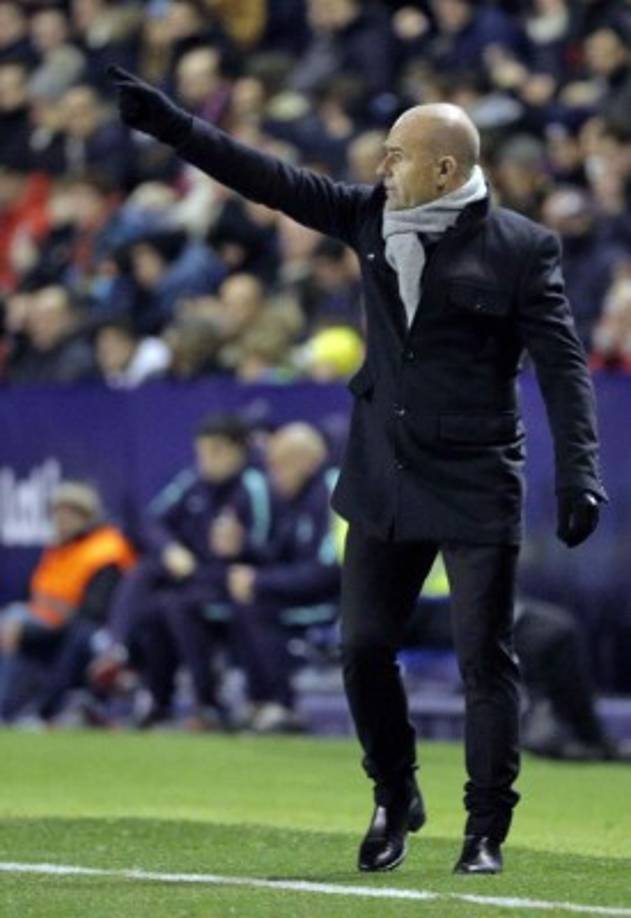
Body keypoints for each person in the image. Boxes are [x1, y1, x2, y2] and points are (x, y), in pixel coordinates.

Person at [108, 66, 606, 875]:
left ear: (445, 168)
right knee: (362, 646)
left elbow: (563, 368)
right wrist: (173, 126)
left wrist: (579, 470)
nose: (381, 167)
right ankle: (392, 791)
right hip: (382, 474)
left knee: (486, 658)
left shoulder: (520, 248)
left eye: (396, 155)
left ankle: (484, 830)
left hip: (477, 476)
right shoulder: (369, 215)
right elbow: (267, 179)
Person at [90, 412, 271, 729]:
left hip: (236, 582)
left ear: (238, 450)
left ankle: (206, 702)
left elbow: (269, 547)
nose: (207, 461)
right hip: (197, 578)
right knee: (151, 588)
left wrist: (240, 547)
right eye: (202, 452)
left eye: (216, 452)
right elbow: (152, 523)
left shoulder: (255, 486)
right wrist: (170, 549)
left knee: (174, 603)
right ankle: (149, 689)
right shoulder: (193, 482)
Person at [223, 422, 340, 733]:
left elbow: (329, 571)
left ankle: (282, 705)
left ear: (305, 460)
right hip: (311, 591)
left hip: (340, 602)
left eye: (278, 465)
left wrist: (259, 581)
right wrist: (242, 550)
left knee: (259, 603)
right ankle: (259, 701)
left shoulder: (333, 492)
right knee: (242, 597)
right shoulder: (301, 500)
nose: (273, 475)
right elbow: (282, 556)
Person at [0, 481, 136, 722]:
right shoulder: (60, 548)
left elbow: (90, 618)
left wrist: (27, 634)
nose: (61, 521)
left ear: (87, 517)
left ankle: (35, 711)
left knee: (20, 627)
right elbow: (37, 597)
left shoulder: (105, 551)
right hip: (42, 633)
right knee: (11, 620)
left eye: (70, 514)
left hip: (86, 639)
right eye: (58, 513)